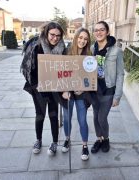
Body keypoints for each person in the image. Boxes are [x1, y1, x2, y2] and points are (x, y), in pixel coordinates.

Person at [21, 22, 66, 156]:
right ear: (46, 33)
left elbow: (66, 69)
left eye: (58, 35)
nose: (55, 38)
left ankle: (54, 143)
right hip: (38, 87)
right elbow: (27, 68)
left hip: (55, 88)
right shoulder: (36, 46)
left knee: (53, 115)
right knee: (40, 115)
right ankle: (38, 140)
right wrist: (36, 87)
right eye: (52, 34)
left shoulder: (63, 48)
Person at [90, 21, 124, 153]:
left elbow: (120, 74)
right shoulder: (92, 49)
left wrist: (118, 96)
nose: (99, 32)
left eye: (102, 29)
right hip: (94, 89)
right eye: (96, 30)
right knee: (95, 117)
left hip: (108, 90)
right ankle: (99, 139)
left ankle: (106, 139)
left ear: (107, 32)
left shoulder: (116, 51)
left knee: (101, 118)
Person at [61, 28, 92, 161]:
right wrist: (63, 90)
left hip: (81, 94)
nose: (82, 41)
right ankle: (67, 139)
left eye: (85, 39)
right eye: (80, 37)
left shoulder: (89, 55)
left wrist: (84, 88)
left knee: (82, 120)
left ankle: (85, 145)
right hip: (67, 92)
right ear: (76, 38)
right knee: (67, 118)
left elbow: (91, 77)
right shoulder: (66, 53)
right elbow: (59, 73)